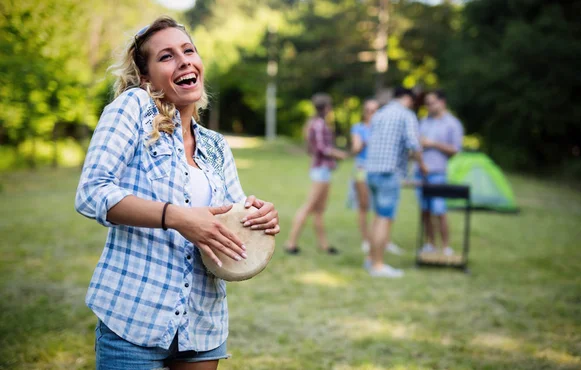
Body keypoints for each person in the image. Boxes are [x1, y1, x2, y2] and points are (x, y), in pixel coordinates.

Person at [75, 16, 280, 370]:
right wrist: (177, 217)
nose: (184, 60)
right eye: (166, 56)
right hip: (134, 321)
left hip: (202, 328)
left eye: (188, 51)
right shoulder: (133, 109)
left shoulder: (216, 145)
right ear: (145, 77)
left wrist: (258, 218)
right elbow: (92, 193)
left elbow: (230, 230)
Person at [365, 87, 428, 278]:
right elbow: (413, 144)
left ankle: (370, 259)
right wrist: (423, 166)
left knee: (377, 217)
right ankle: (378, 265)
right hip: (389, 174)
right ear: (408, 99)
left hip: (372, 172)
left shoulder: (379, 114)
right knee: (385, 219)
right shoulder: (406, 114)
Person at [284, 93, 347, 255]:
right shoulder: (319, 124)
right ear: (326, 108)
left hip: (323, 170)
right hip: (320, 171)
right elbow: (321, 148)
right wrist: (337, 154)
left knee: (319, 210)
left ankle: (324, 245)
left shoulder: (316, 123)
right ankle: (290, 243)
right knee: (309, 206)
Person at [349, 99, 403, 257]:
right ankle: (367, 240)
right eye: (369, 110)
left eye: (375, 110)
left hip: (380, 169)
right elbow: (355, 148)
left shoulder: (383, 128)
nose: (372, 114)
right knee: (364, 206)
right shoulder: (358, 128)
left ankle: (384, 240)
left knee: (383, 208)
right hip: (362, 168)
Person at [416, 90, 464, 256]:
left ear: (442, 102)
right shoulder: (423, 122)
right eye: (426, 103)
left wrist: (433, 144)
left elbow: (455, 149)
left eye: (432, 102)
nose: (428, 106)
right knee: (425, 211)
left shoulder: (452, 123)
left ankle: (445, 246)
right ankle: (430, 243)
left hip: (438, 173)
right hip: (420, 174)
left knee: (439, 211)